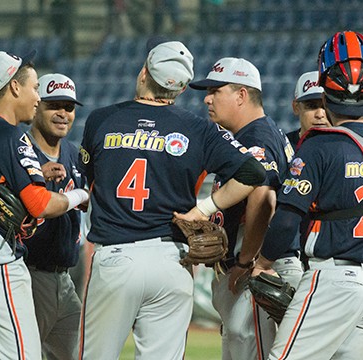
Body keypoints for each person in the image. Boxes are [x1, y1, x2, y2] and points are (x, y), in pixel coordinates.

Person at [78, 41, 265, 359]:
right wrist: (203, 209)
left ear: (143, 74)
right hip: (172, 260)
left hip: (115, 256)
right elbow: (253, 172)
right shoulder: (199, 129)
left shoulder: (101, 120)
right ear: (179, 88)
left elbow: (86, 185)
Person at [255, 31, 363, 360]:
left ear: (325, 83)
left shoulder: (319, 145)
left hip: (334, 277)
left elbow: (286, 220)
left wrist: (260, 264)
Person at [0, 50, 89, 360]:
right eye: (34, 87)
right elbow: (39, 205)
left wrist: (31, 175)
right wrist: (80, 196)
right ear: (14, 87)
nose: (37, 96)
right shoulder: (10, 136)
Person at [188, 57, 300, 360]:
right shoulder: (261, 132)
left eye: (216, 90)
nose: (207, 98)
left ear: (241, 95)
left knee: (250, 350)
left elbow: (264, 196)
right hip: (252, 263)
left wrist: (246, 260)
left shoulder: (256, 136)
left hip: (253, 267)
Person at [22, 73, 87, 360]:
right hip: (28, 274)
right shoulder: (20, 150)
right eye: (54, 105)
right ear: (37, 107)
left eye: (69, 107)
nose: (63, 114)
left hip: (64, 279)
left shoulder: (73, 154)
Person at [286, 70, 328, 150]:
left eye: (326, 107)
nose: (319, 114)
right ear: (296, 107)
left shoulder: (348, 146)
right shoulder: (282, 147)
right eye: (311, 106)